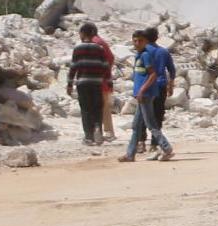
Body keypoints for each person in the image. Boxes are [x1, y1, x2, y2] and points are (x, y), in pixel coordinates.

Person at [122, 26, 175, 162]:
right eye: (134, 41)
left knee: (151, 124)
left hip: (146, 94)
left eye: (140, 41)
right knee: (137, 125)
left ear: (146, 41)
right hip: (150, 92)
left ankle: (166, 148)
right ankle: (130, 154)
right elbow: (171, 70)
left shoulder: (145, 54)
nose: (137, 43)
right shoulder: (142, 54)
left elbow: (152, 75)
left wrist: (141, 90)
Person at [65, 23, 112, 146]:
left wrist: (69, 84)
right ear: (93, 34)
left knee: (86, 109)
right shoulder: (100, 49)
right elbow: (106, 67)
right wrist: (109, 82)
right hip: (97, 83)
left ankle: (88, 137)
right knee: (97, 108)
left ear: (82, 34)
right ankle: (97, 130)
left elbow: (73, 67)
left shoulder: (78, 48)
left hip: (83, 83)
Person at [91, 28, 118, 141]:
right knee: (105, 106)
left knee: (100, 106)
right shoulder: (101, 42)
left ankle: (104, 132)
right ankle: (108, 131)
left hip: (98, 80)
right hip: (104, 79)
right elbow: (111, 58)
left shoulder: (95, 43)